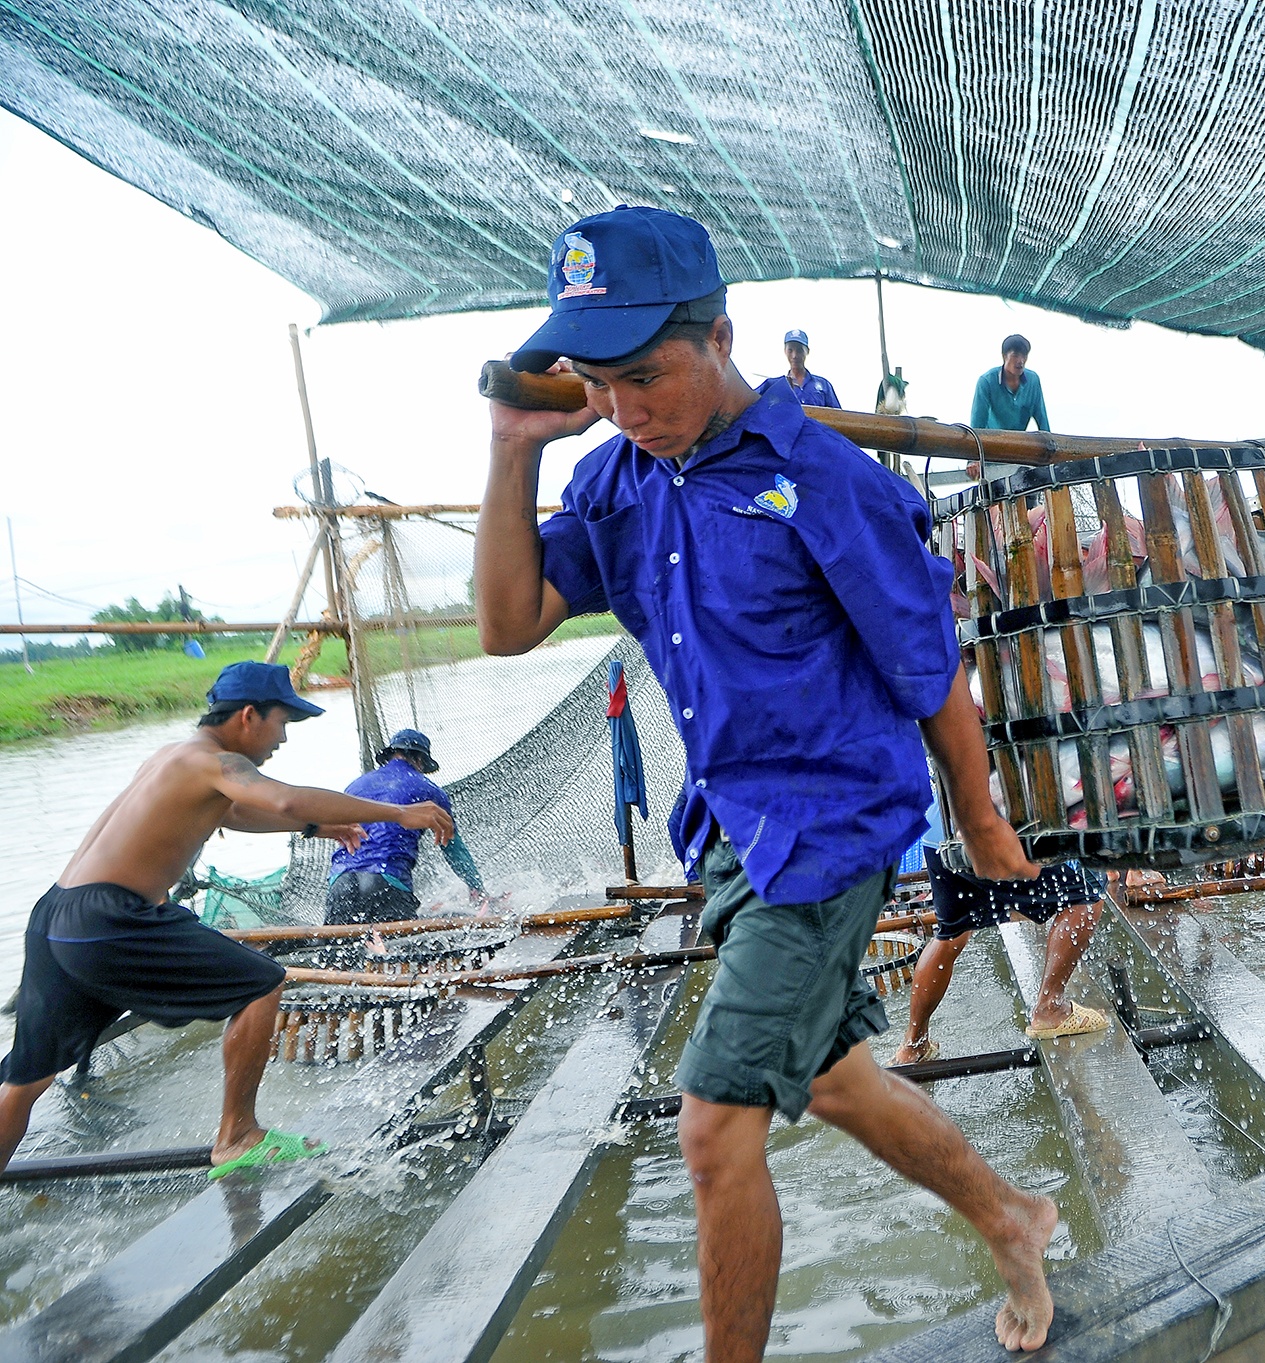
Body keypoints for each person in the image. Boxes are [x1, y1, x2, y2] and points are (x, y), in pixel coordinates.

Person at [478, 205, 1059, 1357]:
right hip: (733, 828)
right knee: (839, 1080)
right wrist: (511, 448)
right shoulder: (613, 482)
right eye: (596, 382)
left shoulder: (825, 480)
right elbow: (505, 623)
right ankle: (1013, 1216)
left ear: (721, 336)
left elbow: (927, 666)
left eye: (647, 375)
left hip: (833, 824)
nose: (625, 408)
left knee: (711, 1130)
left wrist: (986, 827)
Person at [0, 662, 455, 1178]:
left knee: (27, 1080)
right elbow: (280, 796)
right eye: (282, 722)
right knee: (262, 983)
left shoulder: (171, 758)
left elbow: (234, 812)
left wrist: (316, 827)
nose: (282, 738)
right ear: (247, 716)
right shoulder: (215, 762)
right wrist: (399, 813)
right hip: (113, 917)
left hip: (56, 915)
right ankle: (237, 1135)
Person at [892, 795, 1110, 1064]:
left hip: (940, 834)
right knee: (1088, 889)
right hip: (990, 832)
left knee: (951, 933)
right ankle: (1050, 1008)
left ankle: (914, 1044)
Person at [325, 728, 487, 924]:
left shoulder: (355, 785)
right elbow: (454, 849)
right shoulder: (430, 791)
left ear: (391, 755)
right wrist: (476, 887)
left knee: (339, 950)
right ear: (420, 760)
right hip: (386, 880)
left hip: (340, 881)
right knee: (401, 949)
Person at [969, 334, 1048, 433]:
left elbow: (1042, 418)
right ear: (1004, 356)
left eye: (1024, 355)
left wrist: (1051, 444)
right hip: (991, 442)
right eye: (1015, 355)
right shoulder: (986, 381)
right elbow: (977, 425)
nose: (1020, 361)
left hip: (1020, 443)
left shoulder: (1033, 380)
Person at [754, 329, 841, 409]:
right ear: (785, 351)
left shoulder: (824, 385)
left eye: (799, 350)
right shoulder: (773, 385)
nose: (794, 356)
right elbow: (749, 403)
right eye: (790, 350)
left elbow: (839, 418)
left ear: (807, 351)